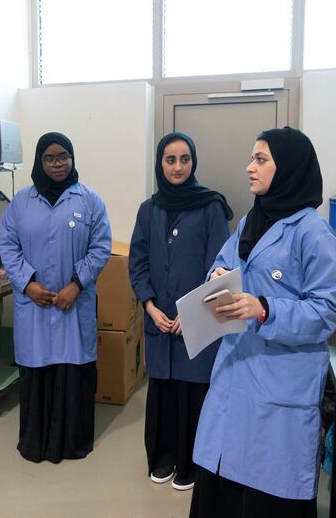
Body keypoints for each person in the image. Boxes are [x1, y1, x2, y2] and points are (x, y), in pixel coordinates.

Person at [189, 127, 336, 517]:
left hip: (279, 385)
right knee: (223, 481)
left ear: (289, 169)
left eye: (260, 159)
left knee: (265, 490)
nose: (250, 167)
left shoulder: (313, 233)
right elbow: (224, 261)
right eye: (251, 158)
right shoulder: (252, 220)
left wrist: (265, 309)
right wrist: (217, 277)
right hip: (236, 376)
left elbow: (328, 308)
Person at [0, 132, 111, 463]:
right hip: (34, 305)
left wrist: (76, 284)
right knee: (38, 369)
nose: (58, 163)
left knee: (72, 370)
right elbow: (8, 245)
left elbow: (101, 246)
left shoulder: (89, 200)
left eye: (64, 156)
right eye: (50, 158)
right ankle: (36, 442)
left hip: (73, 305)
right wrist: (27, 284)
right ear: (39, 162)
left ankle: (72, 443)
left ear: (72, 158)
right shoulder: (20, 202)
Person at [128, 132, 232, 491]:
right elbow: (138, 262)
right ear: (160, 163)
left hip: (196, 325)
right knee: (163, 392)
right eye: (170, 160)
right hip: (159, 320)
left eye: (184, 159)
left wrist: (191, 317)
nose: (177, 167)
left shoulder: (211, 207)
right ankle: (162, 457)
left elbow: (219, 267)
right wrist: (149, 305)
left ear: (194, 162)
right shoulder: (149, 210)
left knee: (193, 393)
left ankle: (190, 465)